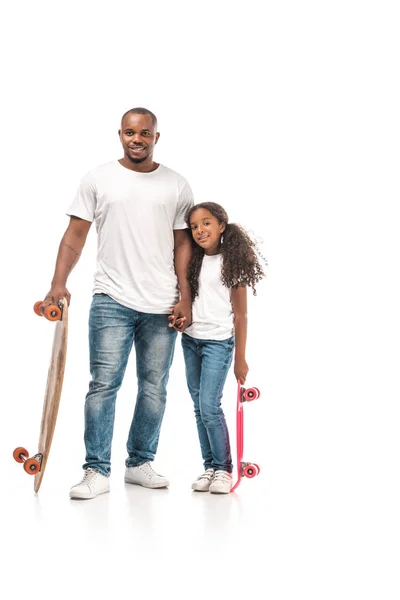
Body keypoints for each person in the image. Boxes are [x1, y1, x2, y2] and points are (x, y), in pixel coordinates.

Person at [39, 107, 194, 499]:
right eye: (129, 132)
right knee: (103, 385)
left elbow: (183, 244)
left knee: (154, 387)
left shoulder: (175, 184)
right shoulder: (99, 178)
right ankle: (96, 470)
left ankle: (140, 463)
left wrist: (186, 296)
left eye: (145, 133)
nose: (136, 139)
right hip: (111, 297)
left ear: (157, 137)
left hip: (162, 303)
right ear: (120, 134)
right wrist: (59, 282)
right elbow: (75, 234)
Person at [177, 202, 265, 494]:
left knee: (209, 406)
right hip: (191, 340)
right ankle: (209, 467)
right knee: (199, 408)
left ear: (221, 226)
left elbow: (241, 315)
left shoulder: (232, 262)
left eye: (206, 223)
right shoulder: (193, 259)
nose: (200, 230)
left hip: (218, 342)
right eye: (194, 226)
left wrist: (240, 357)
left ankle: (224, 469)